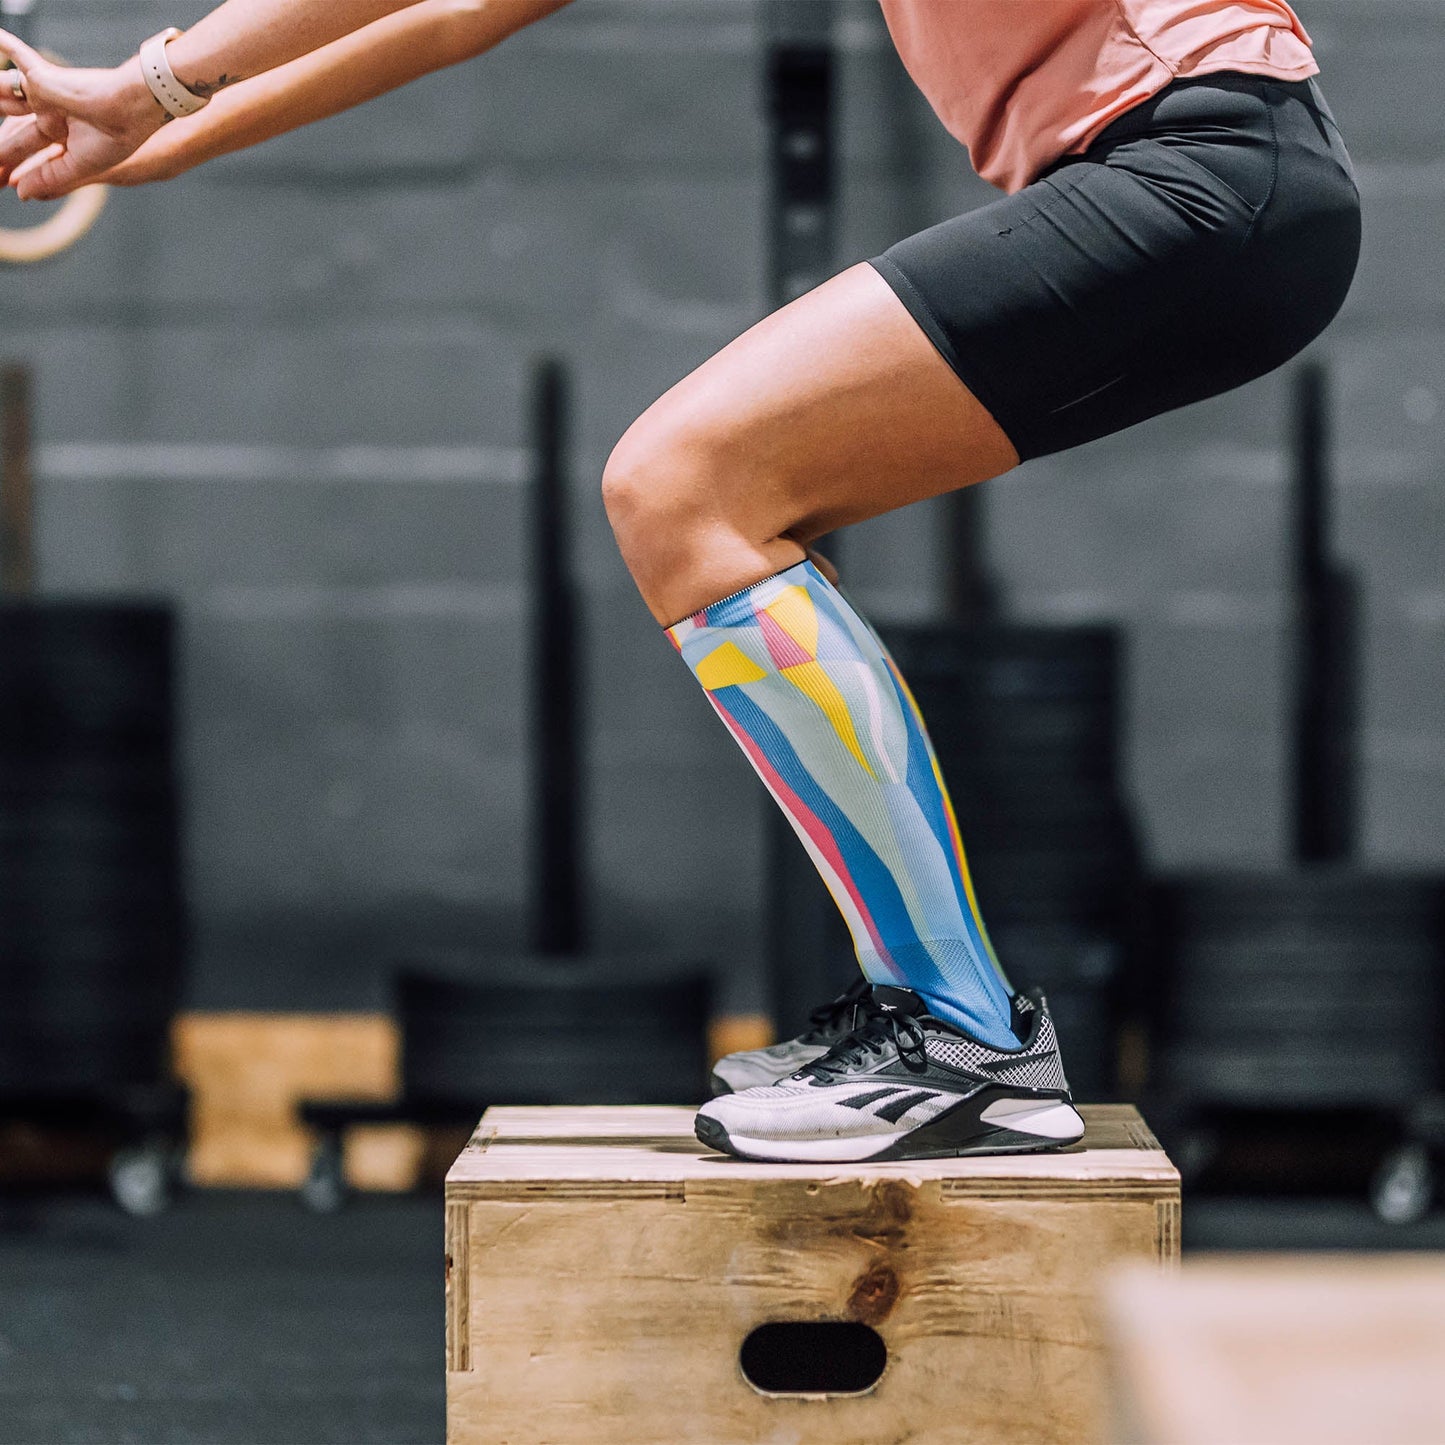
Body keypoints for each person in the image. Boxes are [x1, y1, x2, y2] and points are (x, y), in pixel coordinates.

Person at [0, 0, 1361, 1164]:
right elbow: (465, 10)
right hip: (1211, 194)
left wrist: (149, 80)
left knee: (685, 478)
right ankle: (938, 1020)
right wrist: (160, 134)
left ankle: (960, 1038)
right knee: (710, 491)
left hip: (1199, 168)